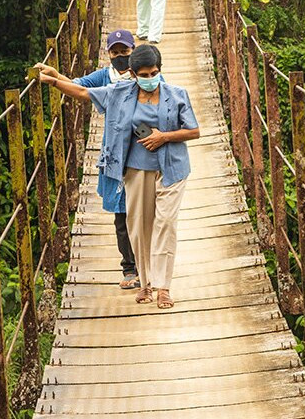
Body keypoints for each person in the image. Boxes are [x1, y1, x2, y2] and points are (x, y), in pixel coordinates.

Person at [38, 44, 199, 309]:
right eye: (144, 75)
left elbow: (193, 131)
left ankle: (163, 287)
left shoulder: (177, 94)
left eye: (154, 73)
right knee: (139, 226)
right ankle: (145, 283)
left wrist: (164, 137)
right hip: (137, 169)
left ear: (160, 70)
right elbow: (83, 92)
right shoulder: (120, 93)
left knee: (165, 224)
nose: (150, 79)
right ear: (133, 74)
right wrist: (54, 81)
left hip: (172, 168)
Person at [35, 29, 140, 289]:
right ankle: (129, 268)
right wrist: (55, 75)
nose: (120, 56)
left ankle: (147, 266)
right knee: (121, 214)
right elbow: (80, 88)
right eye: (115, 52)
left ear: (133, 51)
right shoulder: (105, 77)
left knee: (143, 213)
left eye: (124, 51)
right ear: (108, 54)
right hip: (115, 152)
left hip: (140, 151)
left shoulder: (144, 73)